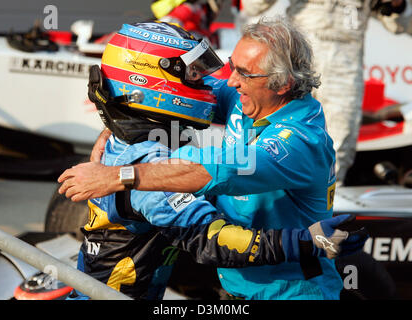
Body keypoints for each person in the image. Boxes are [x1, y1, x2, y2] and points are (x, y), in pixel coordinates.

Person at [66, 21, 367, 300]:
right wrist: (115, 118)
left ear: (283, 83)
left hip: (292, 292)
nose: (230, 80)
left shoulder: (300, 142)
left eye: (244, 73)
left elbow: (218, 170)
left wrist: (116, 175)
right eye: (232, 67)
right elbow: (168, 92)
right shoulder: (249, 96)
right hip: (240, 286)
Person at [235, 0, 412, 184]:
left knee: (339, 138)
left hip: (344, 59)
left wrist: (396, 4)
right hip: (297, 53)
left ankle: (328, 200)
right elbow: (253, 6)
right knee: (279, 125)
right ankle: (269, 196)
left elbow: (398, 24)